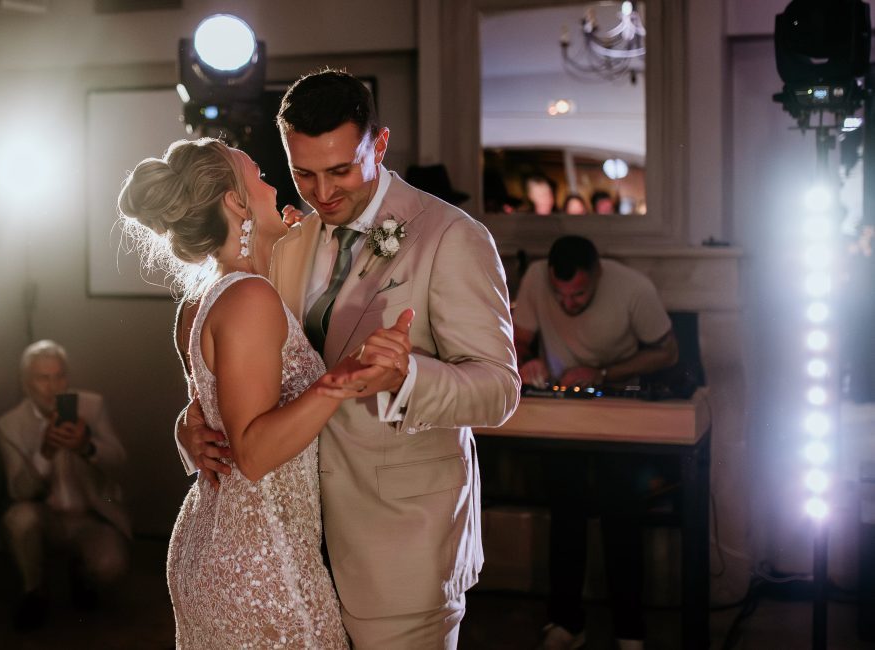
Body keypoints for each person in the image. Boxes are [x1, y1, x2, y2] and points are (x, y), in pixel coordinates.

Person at [178, 69, 521, 648]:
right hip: (295, 556)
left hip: (400, 549)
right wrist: (193, 422)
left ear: (378, 145)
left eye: (340, 170)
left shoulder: (450, 236)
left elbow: (499, 389)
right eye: (303, 174)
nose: (322, 192)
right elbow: (247, 363)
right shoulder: (289, 241)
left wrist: (409, 376)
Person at [121, 137, 386, 648]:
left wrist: (186, 427)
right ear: (235, 202)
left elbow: (205, 413)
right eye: (259, 177)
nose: (273, 188)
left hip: (220, 545)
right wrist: (343, 379)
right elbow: (254, 453)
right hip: (262, 563)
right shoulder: (248, 297)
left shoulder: (206, 300)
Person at [513, 235, 678, 650]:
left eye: (579, 294)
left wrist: (601, 373)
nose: (568, 303)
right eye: (560, 294)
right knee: (565, 513)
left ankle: (629, 630)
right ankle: (566, 623)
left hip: (619, 410)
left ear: (598, 274)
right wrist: (526, 360)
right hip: (561, 414)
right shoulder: (535, 277)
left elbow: (668, 352)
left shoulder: (634, 289)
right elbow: (517, 339)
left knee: (621, 514)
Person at [0, 340, 129, 631]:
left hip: (88, 516)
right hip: (44, 516)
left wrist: (87, 447)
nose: (53, 387)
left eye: (59, 376)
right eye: (43, 378)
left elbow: (119, 460)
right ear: (26, 383)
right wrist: (45, 453)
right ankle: (34, 590)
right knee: (19, 520)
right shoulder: (10, 425)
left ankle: (82, 575)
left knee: (110, 565)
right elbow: (19, 492)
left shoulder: (91, 406)